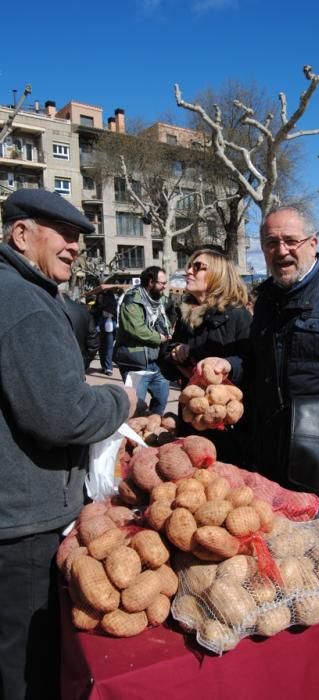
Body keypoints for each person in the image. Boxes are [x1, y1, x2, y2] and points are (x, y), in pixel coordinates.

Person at [0, 188, 137, 700]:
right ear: (21, 234)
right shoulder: (23, 303)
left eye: (80, 237)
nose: (76, 246)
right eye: (64, 234)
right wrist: (122, 402)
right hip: (22, 522)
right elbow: (62, 417)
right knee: (26, 666)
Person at [198, 206, 319, 523]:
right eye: (271, 243)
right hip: (269, 458)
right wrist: (230, 365)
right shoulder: (265, 300)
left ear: (313, 243)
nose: (281, 251)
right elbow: (257, 361)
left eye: (291, 241)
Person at [160, 249, 252, 463]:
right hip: (191, 418)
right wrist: (174, 353)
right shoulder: (187, 316)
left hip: (228, 427)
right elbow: (167, 367)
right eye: (189, 266)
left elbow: (252, 364)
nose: (188, 271)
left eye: (198, 267)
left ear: (218, 274)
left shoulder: (239, 315)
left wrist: (225, 364)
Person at [114, 266, 171, 415]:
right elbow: (136, 329)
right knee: (135, 407)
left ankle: (153, 425)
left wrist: (167, 331)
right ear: (151, 282)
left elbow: (164, 321)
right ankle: (135, 433)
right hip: (135, 363)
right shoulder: (132, 299)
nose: (165, 287)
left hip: (154, 362)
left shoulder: (158, 301)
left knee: (162, 397)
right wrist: (159, 338)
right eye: (162, 283)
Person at [63, 295, 100, 371]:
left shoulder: (49, 308)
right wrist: (84, 362)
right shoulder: (84, 310)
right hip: (77, 364)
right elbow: (94, 343)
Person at [92, 290, 118, 376]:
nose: (100, 299)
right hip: (99, 330)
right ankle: (104, 366)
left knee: (108, 348)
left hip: (109, 330)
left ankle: (108, 368)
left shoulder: (112, 306)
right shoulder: (96, 307)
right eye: (98, 297)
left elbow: (116, 317)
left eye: (101, 297)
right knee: (101, 349)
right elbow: (92, 315)